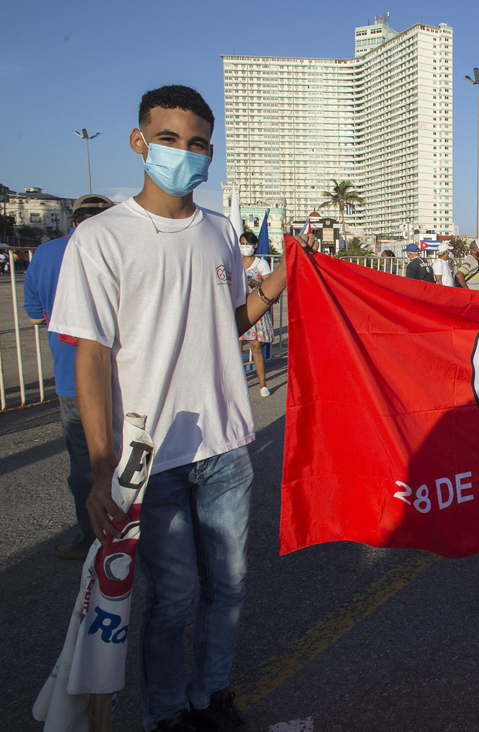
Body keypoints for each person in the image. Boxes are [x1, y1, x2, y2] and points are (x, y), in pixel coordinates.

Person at [49, 84, 316, 732]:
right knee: (174, 596)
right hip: (152, 456)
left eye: (197, 144)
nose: (183, 153)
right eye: (168, 139)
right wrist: (103, 466)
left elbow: (229, 322)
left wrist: (281, 278)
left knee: (229, 587)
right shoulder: (101, 238)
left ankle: (211, 695)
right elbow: (92, 356)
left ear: (210, 153)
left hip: (226, 446)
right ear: (139, 142)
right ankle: (165, 712)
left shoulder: (220, 231)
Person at [23, 193, 115, 561]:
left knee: (87, 465)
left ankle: (92, 541)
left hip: (73, 378)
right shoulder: (118, 247)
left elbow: (35, 315)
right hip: (126, 374)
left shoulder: (46, 254)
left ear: (73, 220)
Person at [238, 231, 274, 397]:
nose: (245, 247)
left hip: (255, 308)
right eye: (242, 244)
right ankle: (237, 382)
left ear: (255, 245)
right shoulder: (236, 262)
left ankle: (262, 385)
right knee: (236, 348)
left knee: (256, 346)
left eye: (248, 244)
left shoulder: (261, 264)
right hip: (238, 307)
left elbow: (269, 285)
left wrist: (256, 283)